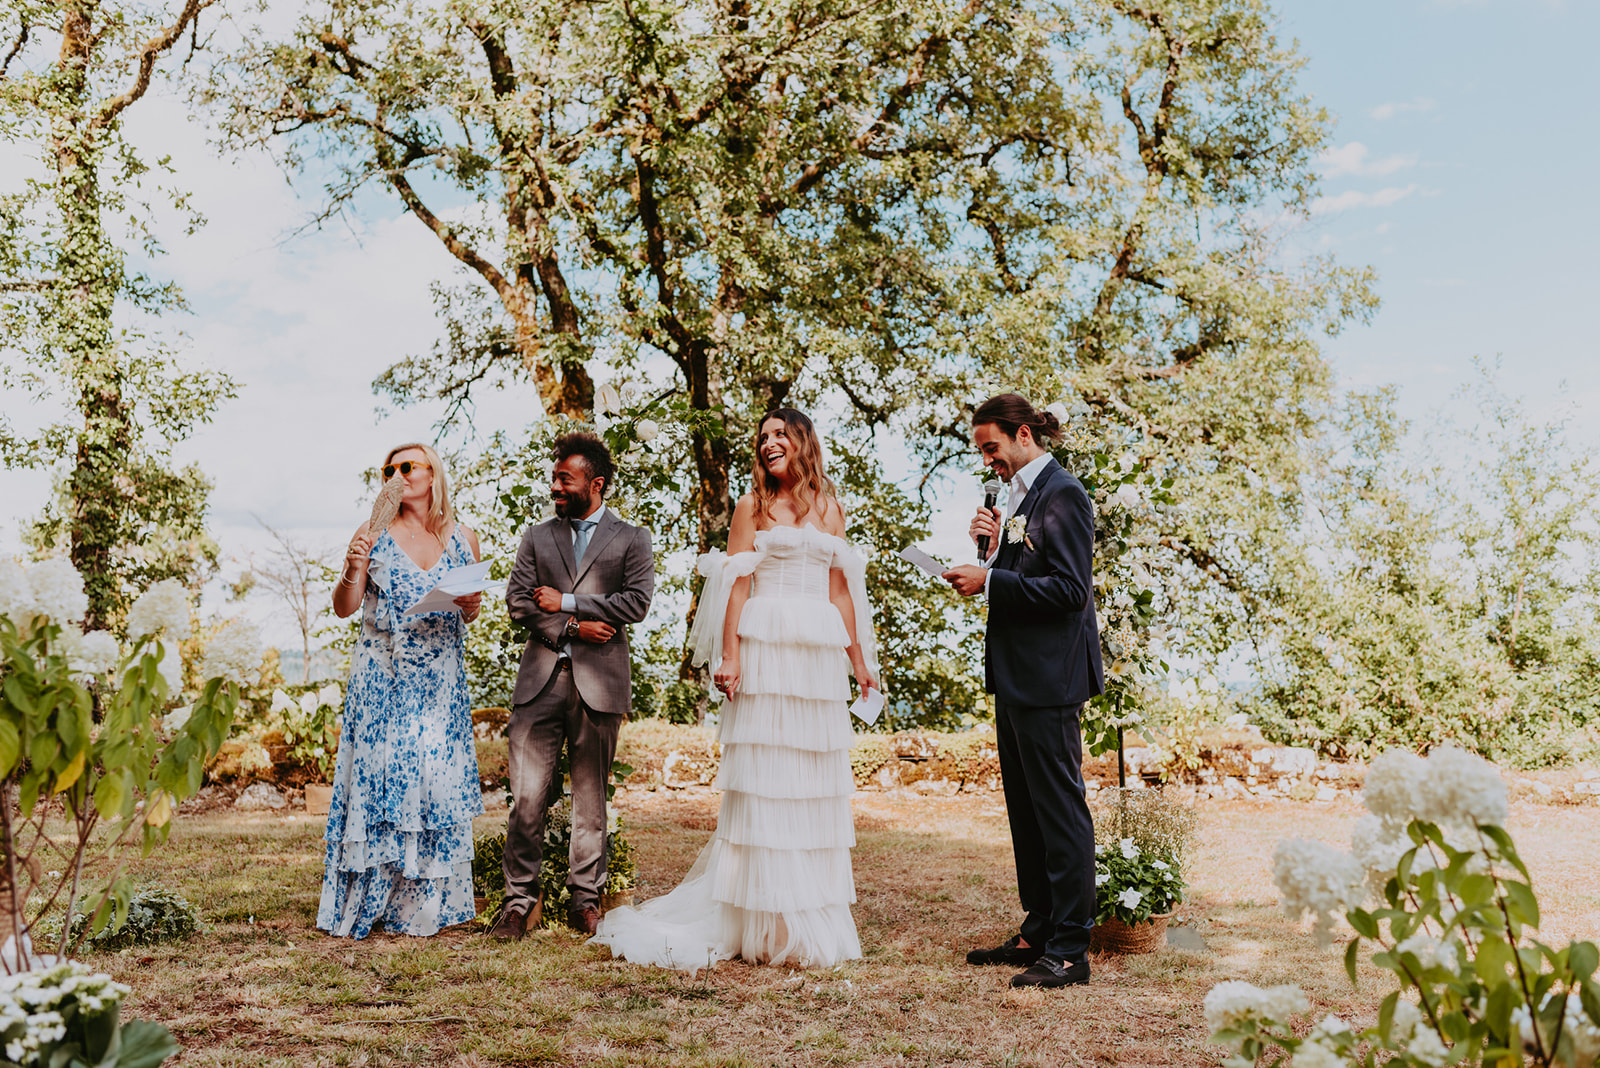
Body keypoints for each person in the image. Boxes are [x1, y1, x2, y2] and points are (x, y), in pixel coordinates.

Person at [592, 407, 878, 972]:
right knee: (765, 780)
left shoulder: (830, 508)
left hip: (816, 658)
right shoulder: (753, 507)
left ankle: (805, 917)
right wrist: (730, 656)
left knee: (812, 783)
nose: (769, 443)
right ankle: (763, 924)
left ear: (802, 441)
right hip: (765, 648)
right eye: (763, 436)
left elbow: (841, 592)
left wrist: (859, 662)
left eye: (780, 434)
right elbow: (735, 583)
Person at [942, 393, 1103, 989]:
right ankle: (1038, 929)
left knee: (1060, 812)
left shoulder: (1063, 493)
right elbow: (1021, 578)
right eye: (982, 450)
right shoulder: (1017, 497)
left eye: (992, 447)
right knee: (1027, 813)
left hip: (1050, 678)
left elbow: (1068, 590)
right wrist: (989, 552)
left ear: (1023, 437)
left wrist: (992, 577)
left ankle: (1070, 949)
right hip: (1015, 676)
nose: (988, 460)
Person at [492, 432, 655, 940]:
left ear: (596, 483)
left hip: (599, 686)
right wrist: (570, 629)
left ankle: (585, 902)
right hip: (540, 683)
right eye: (554, 477)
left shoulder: (632, 538)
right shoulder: (537, 537)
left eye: (566, 478)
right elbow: (518, 602)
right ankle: (519, 904)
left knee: (591, 802)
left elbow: (636, 604)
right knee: (526, 799)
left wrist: (564, 603)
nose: (556, 486)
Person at [319, 443, 486, 939]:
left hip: (439, 682)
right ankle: (375, 895)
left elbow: (469, 612)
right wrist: (354, 566)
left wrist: (471, 605)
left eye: (408, 466)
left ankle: (425, 903)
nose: (397, 474)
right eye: (389, 469)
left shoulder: (463, 537)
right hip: (383, 678)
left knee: (433, 783)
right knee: (384, 780)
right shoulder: (371, 533)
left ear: (433, 475)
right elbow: (345, 608)